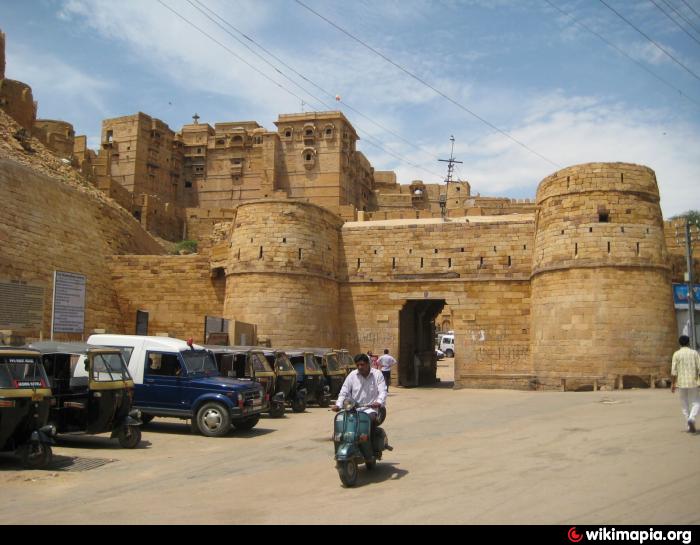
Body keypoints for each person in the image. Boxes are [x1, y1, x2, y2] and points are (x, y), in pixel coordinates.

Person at [332, 353, 387, 425]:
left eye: (362, 364)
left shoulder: (377, 374)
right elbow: (344, 392)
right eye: (357, 365)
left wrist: (379, 402)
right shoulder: (352, 375)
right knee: (341, 423)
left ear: (368, 364)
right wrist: (338, 405)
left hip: (371, 410)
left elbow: (383, 391)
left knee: (365, 423)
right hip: (353, 410)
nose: (360, 367)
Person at [671, 335, 700, 433]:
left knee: (684, 403)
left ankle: (688, 424)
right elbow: (699, 368)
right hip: (693, 381)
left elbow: (674, 371)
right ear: (688, 343)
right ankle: (692, 418)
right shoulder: (695, 353)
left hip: (681, 382)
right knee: (696, 402)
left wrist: (673, 384)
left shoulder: (676, 354)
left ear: (680, 343)